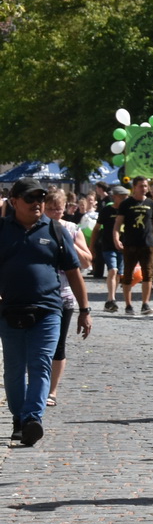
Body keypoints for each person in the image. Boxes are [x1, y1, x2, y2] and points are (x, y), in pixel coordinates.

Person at [0, 179, 91, 445]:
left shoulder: (55, 230)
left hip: (49, 310)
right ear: (14, 202)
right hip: (9, 310)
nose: (37, 203)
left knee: (40, 363)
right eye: (30, 198)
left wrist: (84, 309)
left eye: (40, 198)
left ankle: (32, 419)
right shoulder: (2, 230)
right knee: (14, 370)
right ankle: (20, 418)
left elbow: (74, 273)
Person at [43, 189, 92, 409]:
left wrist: (67, 242)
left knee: (58, 345)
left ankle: (52, 391)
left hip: (64, 295)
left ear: (65, 208)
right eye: (50, 208)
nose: (54, 212)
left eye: (58, 208)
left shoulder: (72, 229)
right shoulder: (37, 228)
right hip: (40, 294)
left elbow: (87, 261)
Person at [114, 176, 153, 314]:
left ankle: (145, 304)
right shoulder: (126, 204)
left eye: (145, 186)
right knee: (128, 274)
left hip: (148, 244)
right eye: (141, 186)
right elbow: (117, 224)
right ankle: (128, 305)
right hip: (130, 244)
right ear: (134, 187)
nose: (144, 189)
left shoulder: (151, 204)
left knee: (148, 274)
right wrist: (116, 238)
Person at [93, 185, 122, 310]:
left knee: (119, 274)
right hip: (108, 246)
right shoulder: (106, 211)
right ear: (115, 197)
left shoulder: (127, 211)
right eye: (122, 197)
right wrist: (91, 247)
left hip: (122, 247)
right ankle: (112, 299)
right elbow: (96, 229)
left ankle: (110, 299)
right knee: (113, 270)